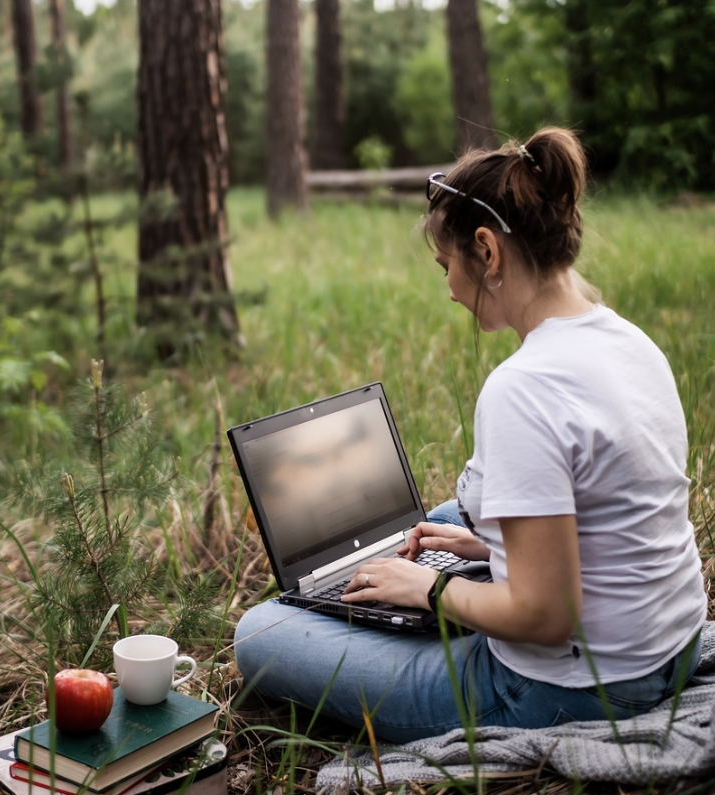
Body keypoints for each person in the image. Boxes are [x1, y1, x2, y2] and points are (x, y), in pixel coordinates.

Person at [233, 127, 707, 743]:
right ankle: (410, 578)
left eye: (446, 265)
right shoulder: (627, 340)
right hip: (671, 647)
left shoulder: (525, 388)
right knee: (437, 521)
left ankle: (395, 597)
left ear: (487, 251)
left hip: (572, 688)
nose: (449, 287)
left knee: (261, 632)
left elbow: (545, 616)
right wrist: (490, 552)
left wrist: (430, 588)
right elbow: (612, 507)